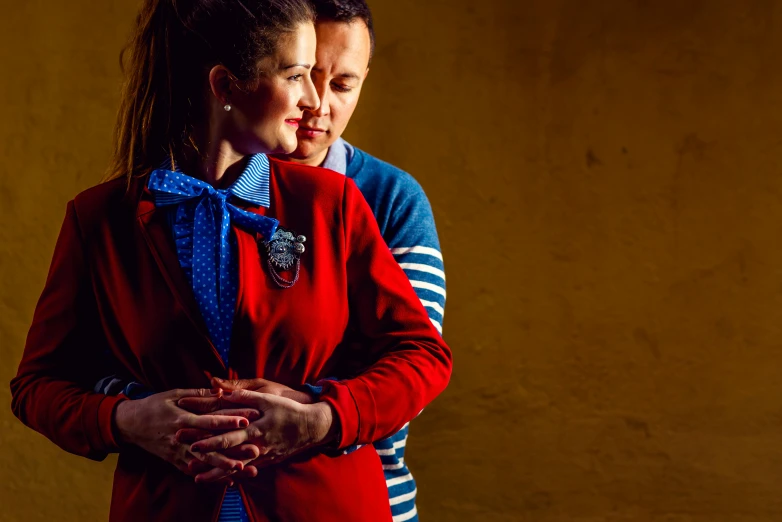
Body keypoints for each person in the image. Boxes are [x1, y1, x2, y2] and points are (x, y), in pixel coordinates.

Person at [9, 0, 452, 521]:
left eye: (326, 80)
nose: (312, 101)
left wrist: (322, 418)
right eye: (296, 75)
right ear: (224, 86)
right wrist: (125, 419)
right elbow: (37, 386)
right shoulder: (100, 218)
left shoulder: (333, 203)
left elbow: (423, 356)